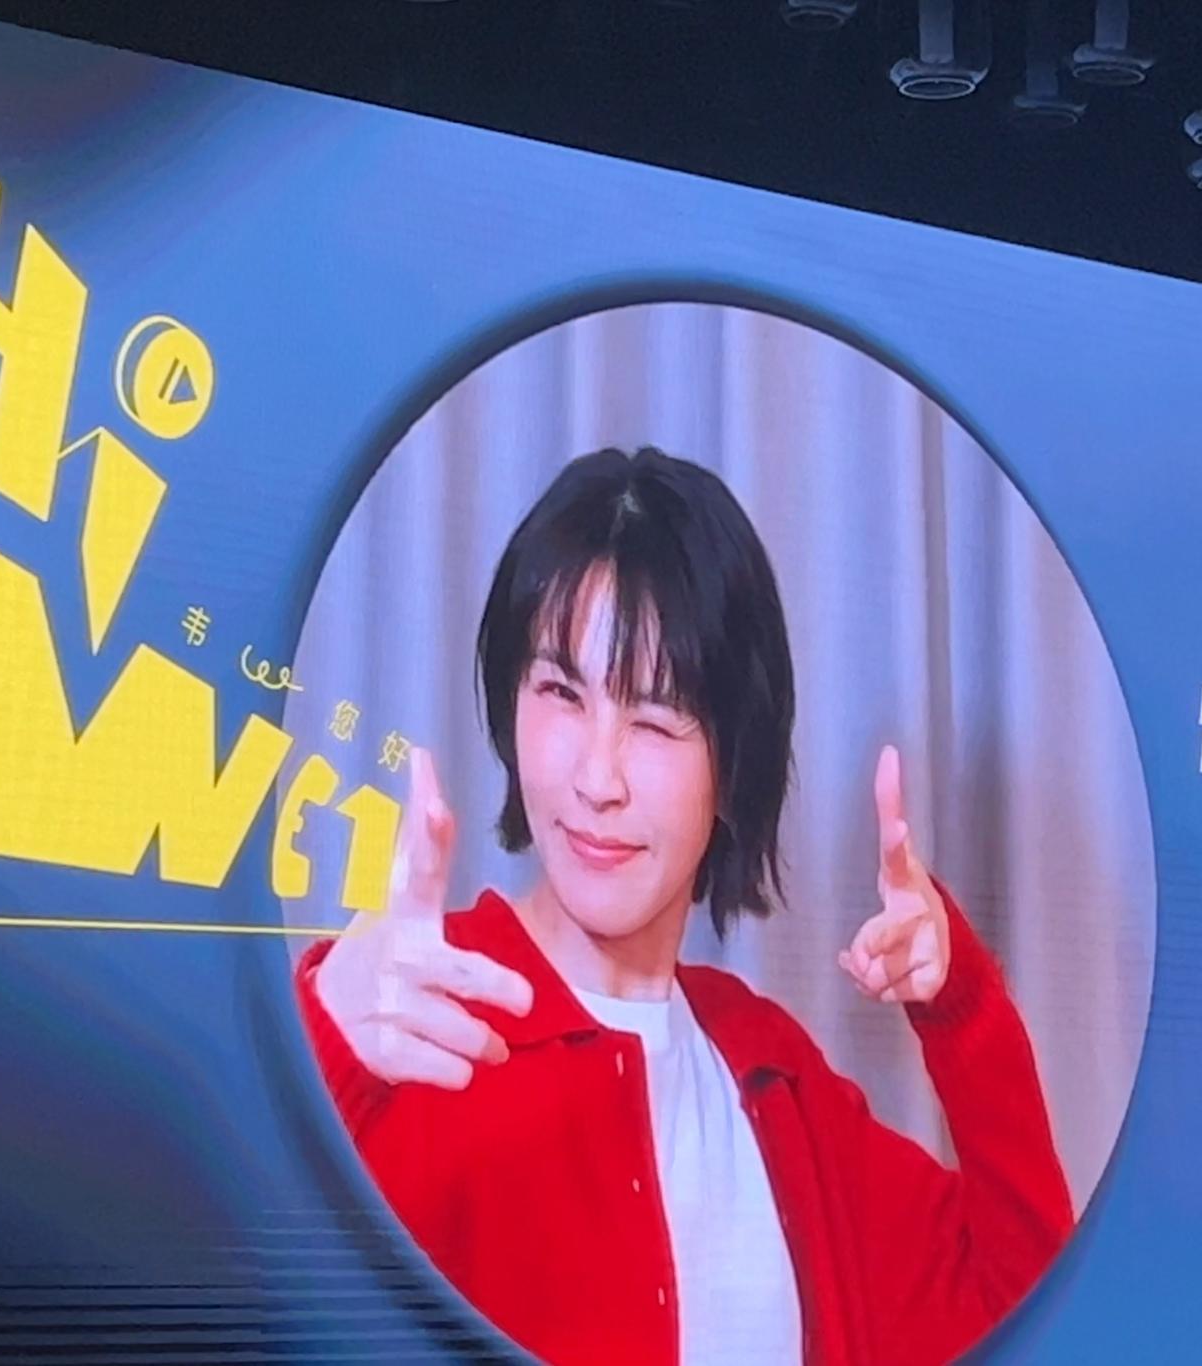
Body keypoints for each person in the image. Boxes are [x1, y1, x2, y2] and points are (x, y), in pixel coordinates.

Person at [295, 446, 1072, 1366]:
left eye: (657, 719)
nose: (597, 779)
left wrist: (960, 1006)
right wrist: (317, 1053)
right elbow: (210, 1287)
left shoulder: (774, 1075)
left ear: (732, 766)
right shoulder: (403, 1019)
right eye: (560, 693)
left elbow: (1028, 1307)